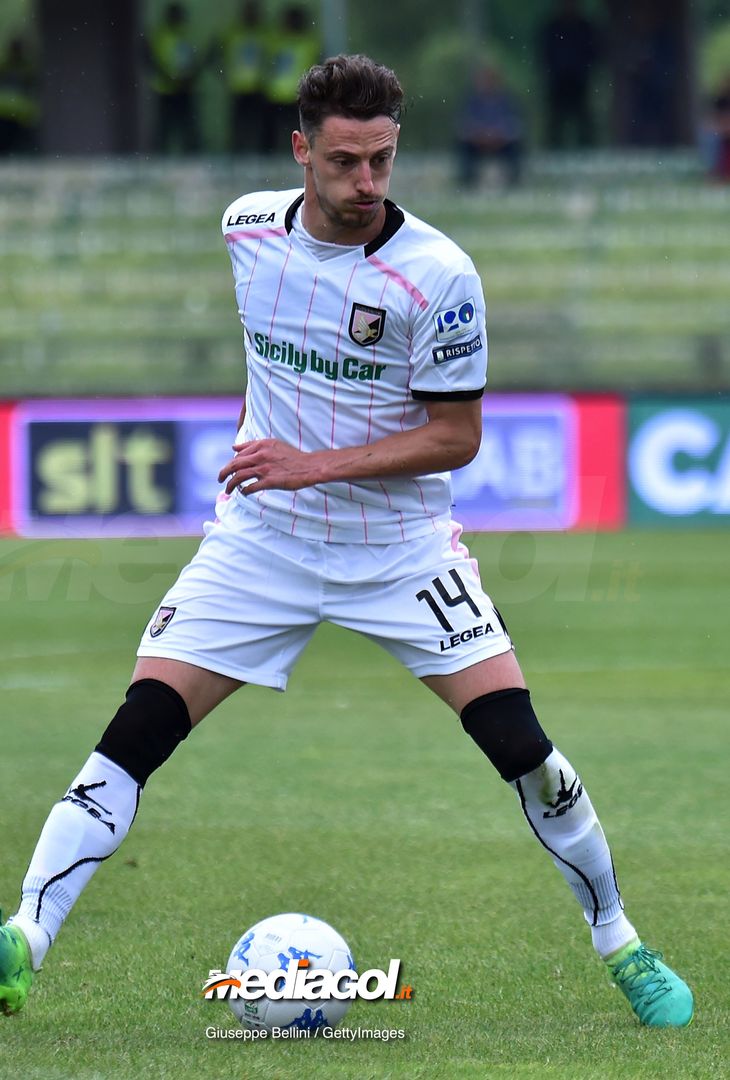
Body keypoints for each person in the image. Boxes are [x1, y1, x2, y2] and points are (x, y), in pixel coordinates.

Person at [0, 54, 693, 1029]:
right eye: (345, 162)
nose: (367, 183)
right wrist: (277, 464)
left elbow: (455, 436)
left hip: (402, 551)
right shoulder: (247, 229)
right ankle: (23, 938)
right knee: (136, 729)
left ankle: (620, 940)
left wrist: (308, 462)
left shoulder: (438, 275)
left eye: (382, 160)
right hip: (263, 544)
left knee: (525, 750)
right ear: (301, 153)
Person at [537, 0, 601, 148]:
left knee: (584, 121)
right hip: (557, 82)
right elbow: (544, 54)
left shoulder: (585, 27)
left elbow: (594, 53)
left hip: (580, 82)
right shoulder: (552, 27)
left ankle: (587, 152)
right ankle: (553, 152)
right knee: (555, 122)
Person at [145, 2, 205, 154]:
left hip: (184, 88)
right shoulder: (160, 36)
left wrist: (189, 77)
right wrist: (169, 77)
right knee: (164, 128)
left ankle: (192, 156)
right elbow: (153, 61)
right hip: (166, 89)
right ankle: (159, 157)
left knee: (189, 127)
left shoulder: (184, 35)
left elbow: (190, 60)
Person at [262, 4, 320, 153]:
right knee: (271, 133)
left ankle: (297, 158)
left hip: (298, 95)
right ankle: (270, 159)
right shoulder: (276, 41)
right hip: (275, 94)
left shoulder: (309, 43)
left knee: (300, 132)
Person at [455, 65, 524, 189]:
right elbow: (465, 124)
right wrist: (480, 135)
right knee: (464, 149)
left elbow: (513, 125)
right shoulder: (472, 101)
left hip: (501, 142)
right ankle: (467, 183)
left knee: (515, 149)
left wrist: (498, 135)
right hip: (477, 142)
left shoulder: (506, 101)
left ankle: (514, 182)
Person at [219, 0, 270, 154]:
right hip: (238, 88)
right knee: (238, 127)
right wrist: (224, 75)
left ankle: (262, 156)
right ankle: (235, 155)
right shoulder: (233, 33)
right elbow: (219, 54)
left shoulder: (265, 34)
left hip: (259, 87)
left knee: (261, 126)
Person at [0, 35, 39, 156]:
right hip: (10, 112)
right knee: (9, 141)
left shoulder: (24, 67)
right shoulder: (9, 66)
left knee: (12, 142)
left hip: (18, 113)